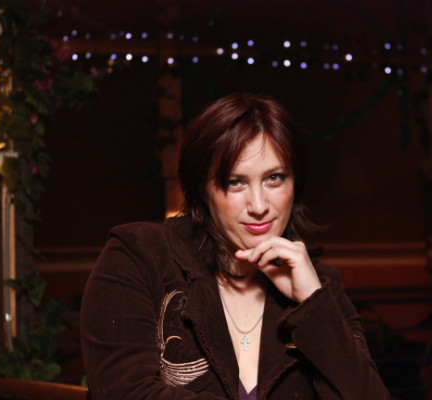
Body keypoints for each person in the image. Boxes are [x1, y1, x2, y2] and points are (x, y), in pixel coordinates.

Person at [80, 93, 390, 399]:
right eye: (234, 182)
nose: (259, 206)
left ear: (296, 183)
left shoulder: (319, 285)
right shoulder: (139, 255)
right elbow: (125, 392)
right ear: (203, 189)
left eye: (275, 178)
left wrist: (312, 302)